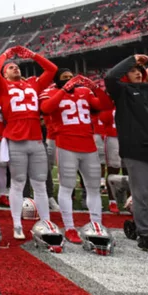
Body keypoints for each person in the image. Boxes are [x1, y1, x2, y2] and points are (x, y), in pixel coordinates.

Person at [0, 45, 57, 240]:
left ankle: (45, 222)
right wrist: (6, 54)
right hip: (16, 138)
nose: (15, 68)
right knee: (18, 184)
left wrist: (33, 55)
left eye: (17, 66)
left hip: (36, 139)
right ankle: (17, 224)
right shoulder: (1, 86)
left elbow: (52, 69)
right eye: (10, 67)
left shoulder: (33, 84)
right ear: (5, 74)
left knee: (40, 184)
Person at [40, 70, 111, 244]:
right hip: (66, 144)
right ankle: (70, 227)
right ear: (58, 81)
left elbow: (105, 104)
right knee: (67, 187)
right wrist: (64, 90)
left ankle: (96, 224)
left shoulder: (85, 92)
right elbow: (46, 109)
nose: (70, 80)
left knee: (93, 187)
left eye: (71, 77)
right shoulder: (50, 92)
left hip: (88, 144)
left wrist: (94, 86)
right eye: (65, 78)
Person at [105, 54, 148, 252]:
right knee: (141, 194)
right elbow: (110, 77)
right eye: (132, 70)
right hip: (136, 149)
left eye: (139, 70)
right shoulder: (122, 91)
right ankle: (145, 233)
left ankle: (121, 182)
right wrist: (131, 58)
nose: (136, 72)